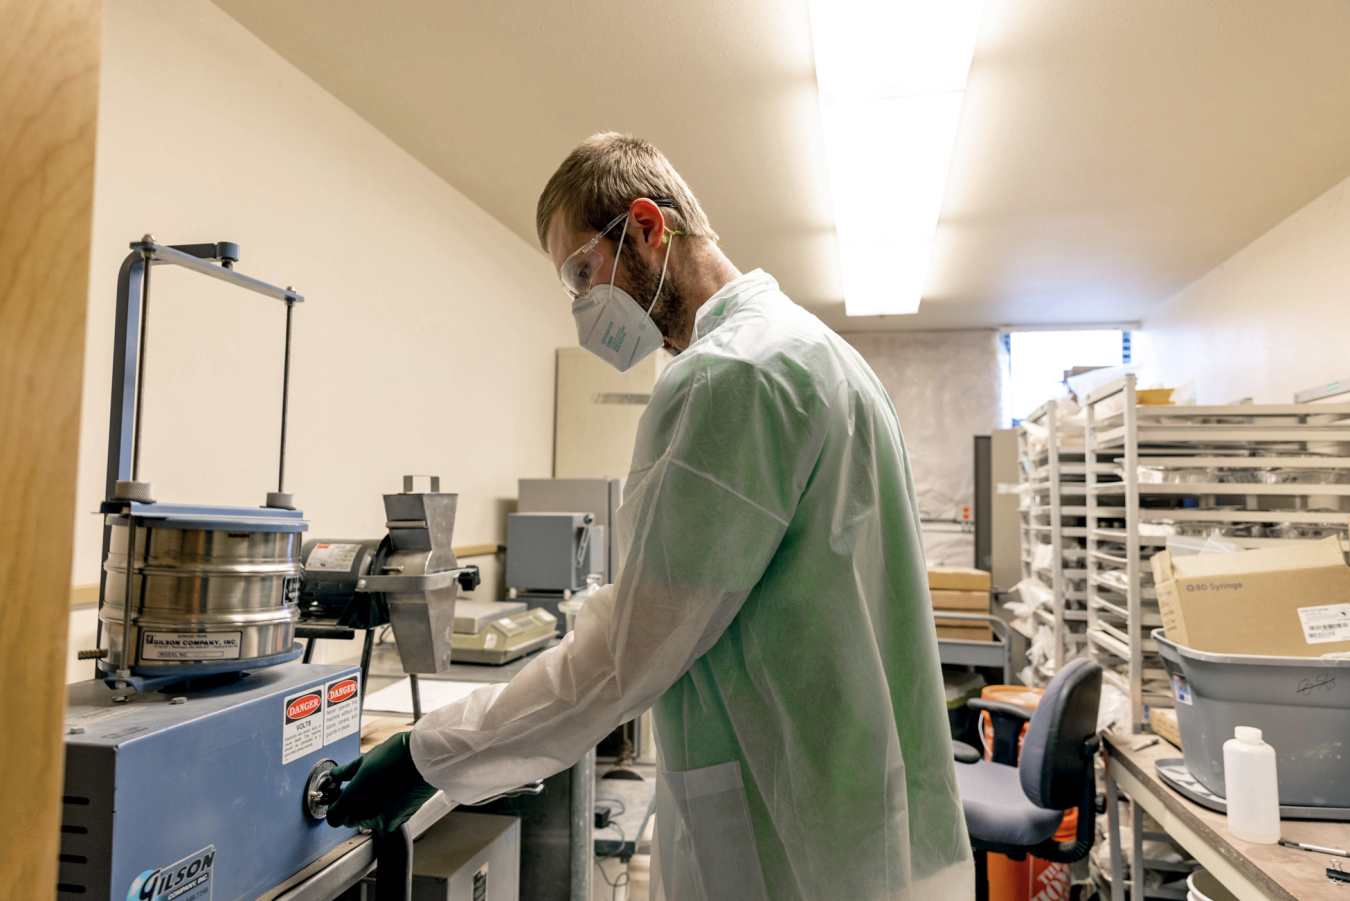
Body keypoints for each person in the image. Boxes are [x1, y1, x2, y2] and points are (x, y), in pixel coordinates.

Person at [326, 133, 973, 900]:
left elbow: (624, 655)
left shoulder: (728, 376)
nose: (581, 307)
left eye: (581, 273)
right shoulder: (827, 359)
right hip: (861, 820)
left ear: (645, 226)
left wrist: (425, 753)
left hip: (787, 842)